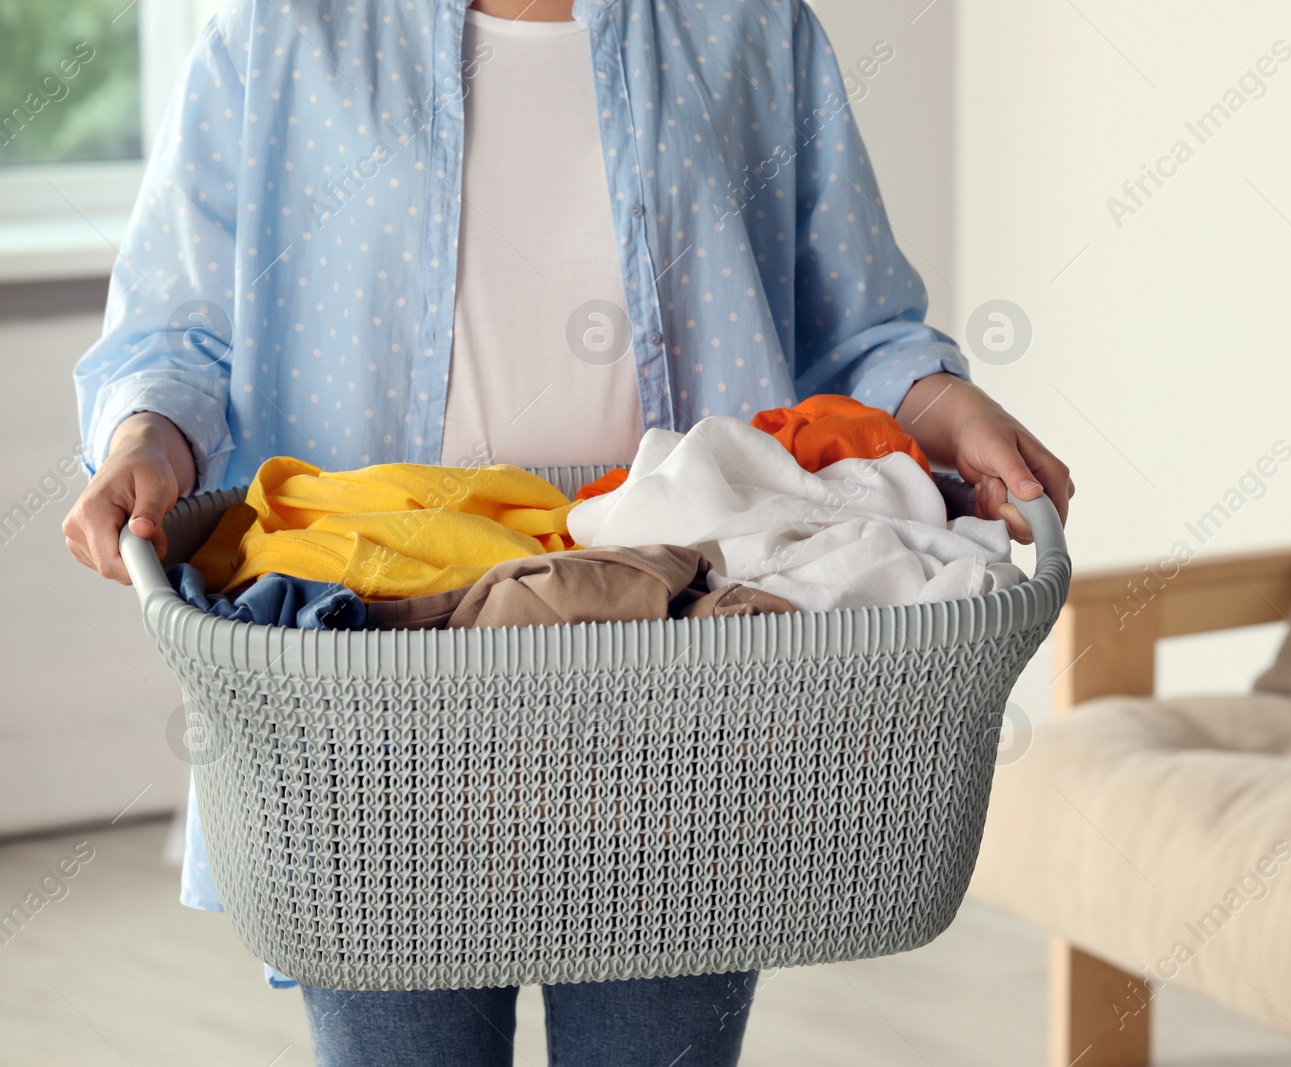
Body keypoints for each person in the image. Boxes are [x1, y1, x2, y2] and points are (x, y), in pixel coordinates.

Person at [64, 0, 1073, 1064]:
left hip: (682, 683)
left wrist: (952, 413)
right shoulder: (279, 34)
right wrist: (144, 448)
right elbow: (177, 339)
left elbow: (857, 332)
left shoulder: (750, 28)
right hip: (379, 694)